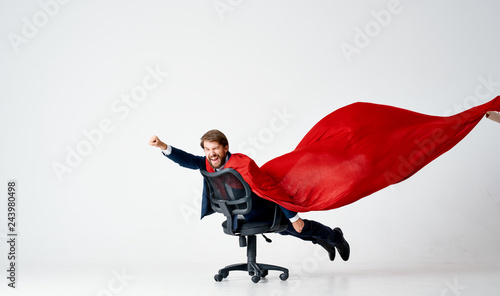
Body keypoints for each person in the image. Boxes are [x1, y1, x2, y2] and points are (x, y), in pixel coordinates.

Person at [149, 130, 350, 262]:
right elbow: (187, 160)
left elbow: (272, 189)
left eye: (215, 149)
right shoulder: (210, 163)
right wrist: (163, 146)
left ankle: (335, 237)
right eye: (207, 150)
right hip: (240, 214)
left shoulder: (242, 164)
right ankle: (323, 240)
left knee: (297, 227)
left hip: (266, 208)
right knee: (286, 231)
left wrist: (293, 216)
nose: (211, 154)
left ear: (225, 147)